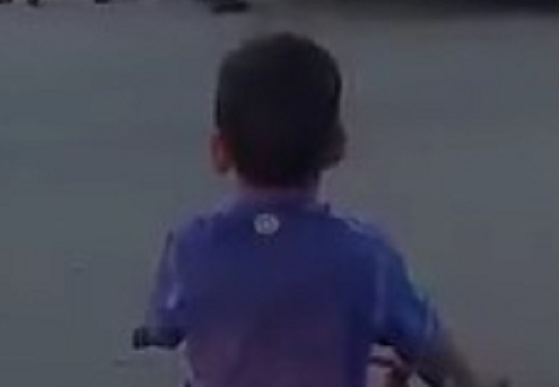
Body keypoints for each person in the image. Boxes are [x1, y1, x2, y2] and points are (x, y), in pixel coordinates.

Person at [138, 32, 504, 387]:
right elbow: (430, 346)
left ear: (220, 151)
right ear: (337, 146)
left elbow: (165, 328)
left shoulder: (189, 248)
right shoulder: (365, 255)